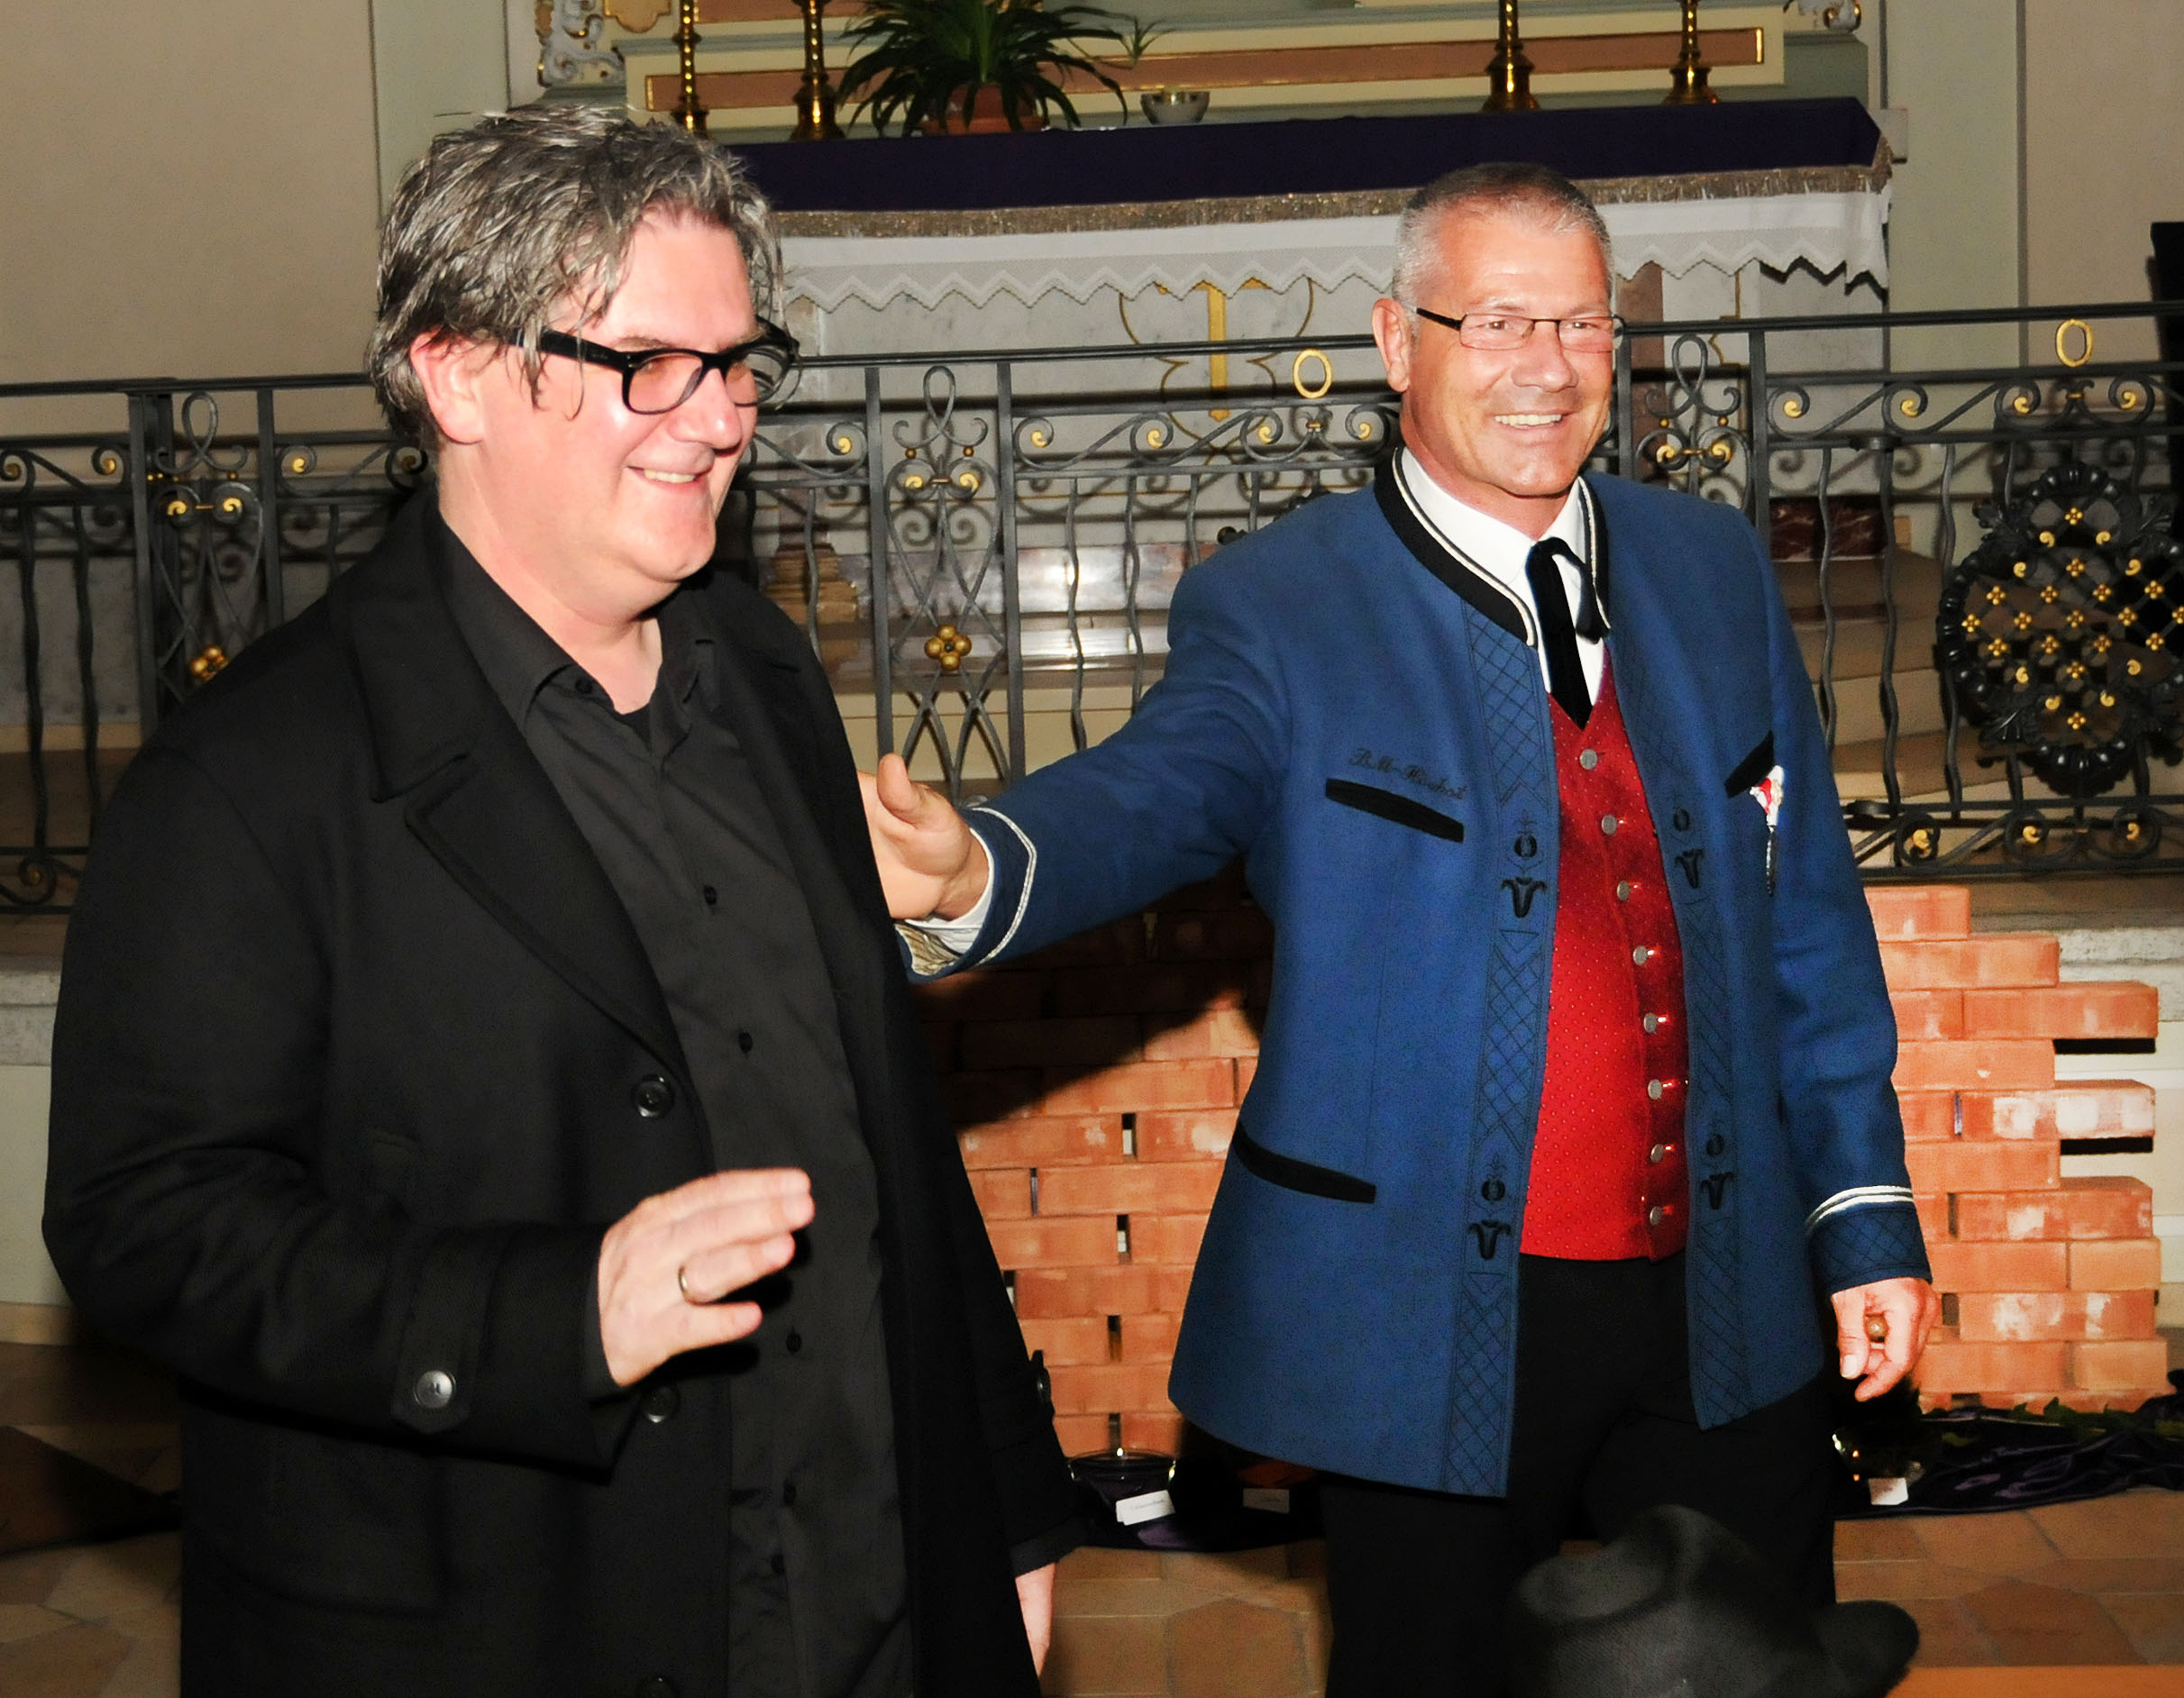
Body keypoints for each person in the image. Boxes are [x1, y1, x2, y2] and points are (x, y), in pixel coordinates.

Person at [863, 161, 1934, 1696]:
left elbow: (1807, 922)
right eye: (1495, 321)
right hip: (1430, 1310)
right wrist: (978, 863)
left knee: (1755, 1670)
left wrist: (1861, 1218)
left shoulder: (1707, 567)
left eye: (1579, 323)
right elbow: (1162, 789)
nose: (1545, 365)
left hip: (1727, 1286)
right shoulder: (1283, 603)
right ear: (1393, 342)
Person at [44, 106, 1074, 1698]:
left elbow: (889, 1140)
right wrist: (551, 1317)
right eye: (648, 363)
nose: (715, 421)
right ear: (457, 375)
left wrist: (1002, 1505)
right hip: (517, 1617)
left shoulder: (764, 675)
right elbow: (145, 1220)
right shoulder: (254, 772)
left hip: (862, 1592)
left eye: (737, 364)